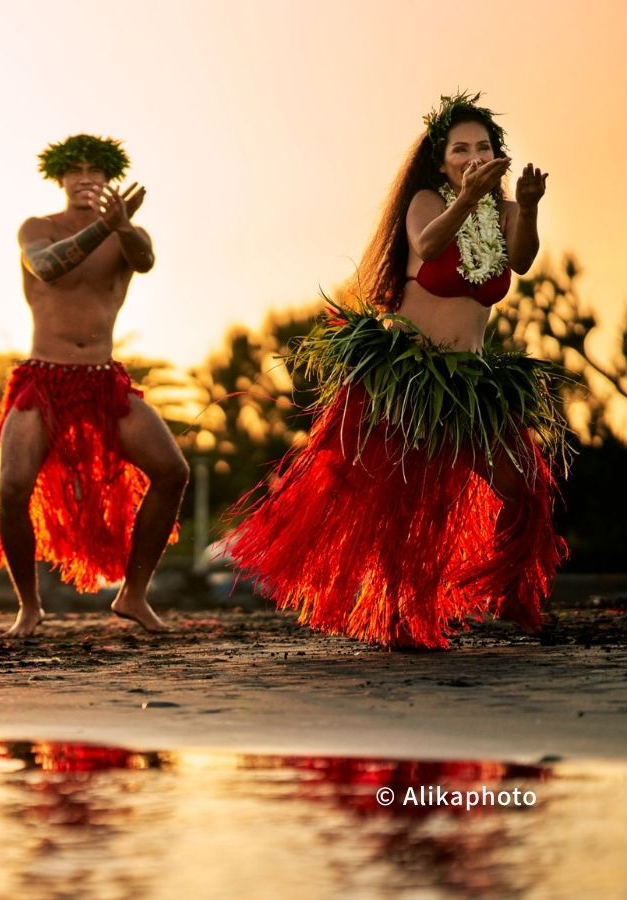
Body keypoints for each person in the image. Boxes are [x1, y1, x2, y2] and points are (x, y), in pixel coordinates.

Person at [224, 93, 566, 650]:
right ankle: (401, 615)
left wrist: (526, 206)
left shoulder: (501, 213)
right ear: (441, 160)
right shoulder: (428, 201)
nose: (472, 155)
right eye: (460, 148)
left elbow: (521, 260)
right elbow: (428, 244)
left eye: (482, 146)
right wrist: (466, 199)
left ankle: (514, 597)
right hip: (410, 376)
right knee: (410, 504)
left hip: (472, 381)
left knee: (523, 486)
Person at [0, 134, 187, 637]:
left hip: (103, 380)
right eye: (76, 171)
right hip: (44, 379)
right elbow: (47, 265)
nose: (86, 178)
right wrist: (102, 228)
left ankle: (133, 594)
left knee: (173, 471)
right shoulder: (36, 229)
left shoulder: (128, 235)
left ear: (109, 179)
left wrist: (120, 226)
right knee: (13, 486)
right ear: (60, 178)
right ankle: (29, 605)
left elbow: (145, 259)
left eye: (96, 171)